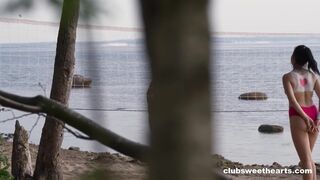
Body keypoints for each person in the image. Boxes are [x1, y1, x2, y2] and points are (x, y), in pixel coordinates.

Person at [282, 45, 320, 180]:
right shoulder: (313, 76)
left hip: (299, 115)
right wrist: (317, 119)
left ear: (294, 58)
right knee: (309, 158)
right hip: (314, 113)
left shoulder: (288, 77)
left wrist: (305, 118)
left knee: (305, 161)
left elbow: (293, 101)